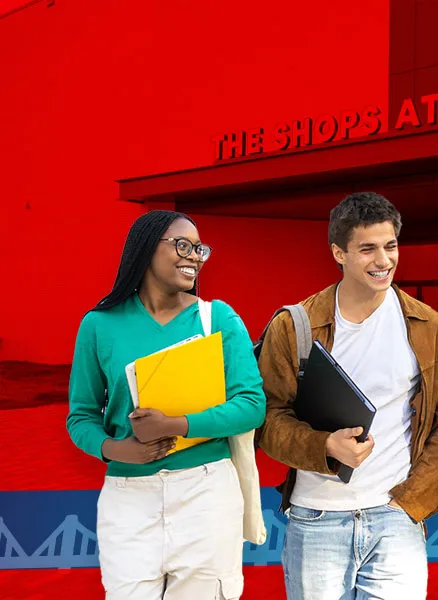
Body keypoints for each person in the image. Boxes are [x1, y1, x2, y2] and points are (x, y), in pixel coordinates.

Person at [257, 192, 438, 600]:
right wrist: (325, 446)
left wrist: (410, 504)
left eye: (390, 246)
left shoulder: (426, 325)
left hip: (395, 518)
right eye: (367, 249)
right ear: (339, 253)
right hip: (315, 518)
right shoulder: (295, 325)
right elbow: (267, 419)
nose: (383, 260)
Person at [66, 210, 266, 600]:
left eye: (198, 249)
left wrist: (175, 424)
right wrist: (116, 449)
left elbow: (252, 404)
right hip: (128, 496)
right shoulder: (99, 325)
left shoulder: (218, 319)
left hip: (206, 492)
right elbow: (81, 416)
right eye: (181, 245)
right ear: (145, 248)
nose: (193, 256)